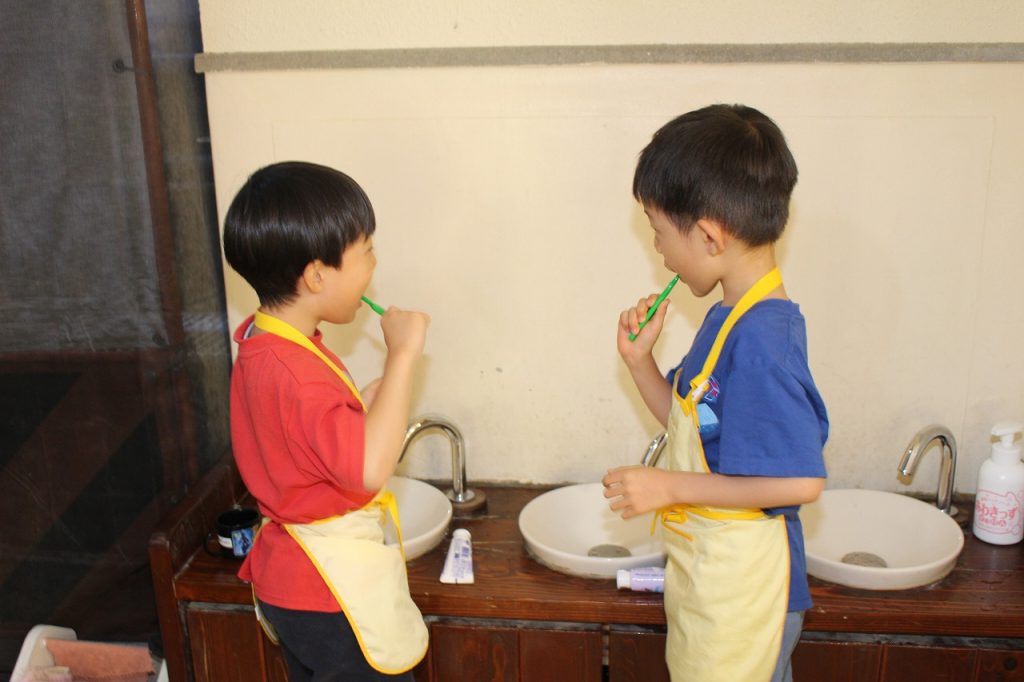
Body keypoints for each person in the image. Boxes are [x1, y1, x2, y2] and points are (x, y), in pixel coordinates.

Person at [603, 104, 829, 682]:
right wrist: (640, 363)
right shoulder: (727, 317)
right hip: (714, 585)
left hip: (748, 601)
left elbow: (800, 482)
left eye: (658, 233)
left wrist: (667, 486)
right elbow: (695, 431)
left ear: (708, 236)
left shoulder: (762, 341)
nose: (658, 250)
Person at [222, 161, 431, 681]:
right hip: (328, 592)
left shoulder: (262, 341)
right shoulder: (299, 372)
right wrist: (403, 357)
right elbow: (368, 470)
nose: (373, 267)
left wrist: (356, 405)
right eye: (367, 252)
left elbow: (295, 434)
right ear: (317, 275)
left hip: (289, 584)